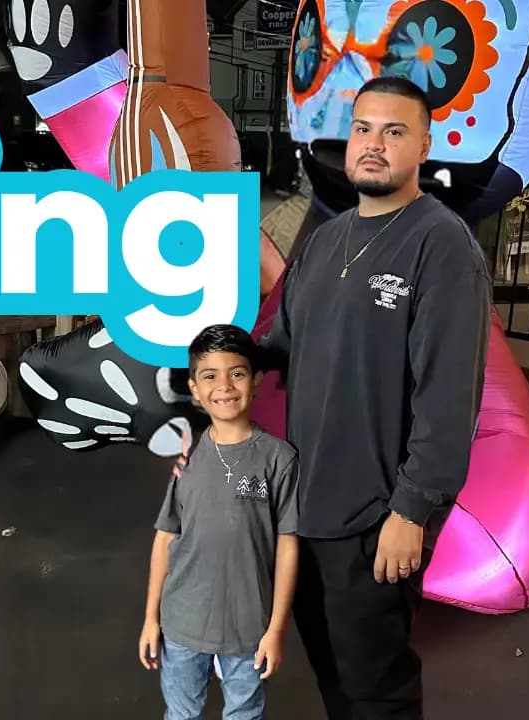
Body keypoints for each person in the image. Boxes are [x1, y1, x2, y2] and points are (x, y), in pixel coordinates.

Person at [258, 76, 492, 719]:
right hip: (307, 509)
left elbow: (449, 397)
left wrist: (411, 512)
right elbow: (277, 348)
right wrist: (198, 390)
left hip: (376, 519)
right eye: (363, 129)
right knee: (333, 674)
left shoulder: (441, 245)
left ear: (424, 146)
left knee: (375, 692)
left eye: (394, 132)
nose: (373, 144)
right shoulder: (325, 241)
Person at [139, 324, 300, 720]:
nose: (224, 386)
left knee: (245, 714)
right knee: (181, 713)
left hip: (249, 628)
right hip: (182, 624)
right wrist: (150, 618)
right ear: (194, 389)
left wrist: (276, 630)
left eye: (237, 373)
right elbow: (165, 538)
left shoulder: (280, 458)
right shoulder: (187, 454)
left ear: (256, 381)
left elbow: (288, 546)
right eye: (210, 376)